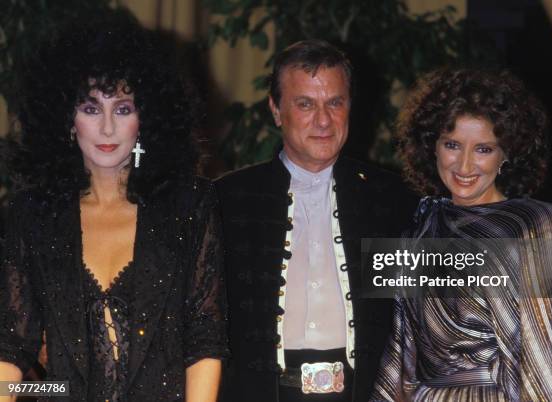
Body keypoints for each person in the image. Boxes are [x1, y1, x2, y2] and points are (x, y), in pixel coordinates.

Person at [0, 16, 228, 402]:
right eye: (91, 109)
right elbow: (11, 347)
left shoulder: (190, 206)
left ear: (146, 118)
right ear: (68, 120)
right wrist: (51, 391)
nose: (107, 128)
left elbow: (205, 339)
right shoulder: (31, 216)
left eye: (122, 109)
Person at [370, 69, 552, 401]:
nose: (464, 165)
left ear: (506, 153)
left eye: (483, 149)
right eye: (452, 145)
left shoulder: (539, 227)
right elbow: (400, 354)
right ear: (431, 146)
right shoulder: (419, 228)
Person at [215, 40, 418, 402]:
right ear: (276, 110)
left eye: (335, 103)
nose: (323, 120)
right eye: (305, 104)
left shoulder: (392, 200)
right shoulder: (227, 202)